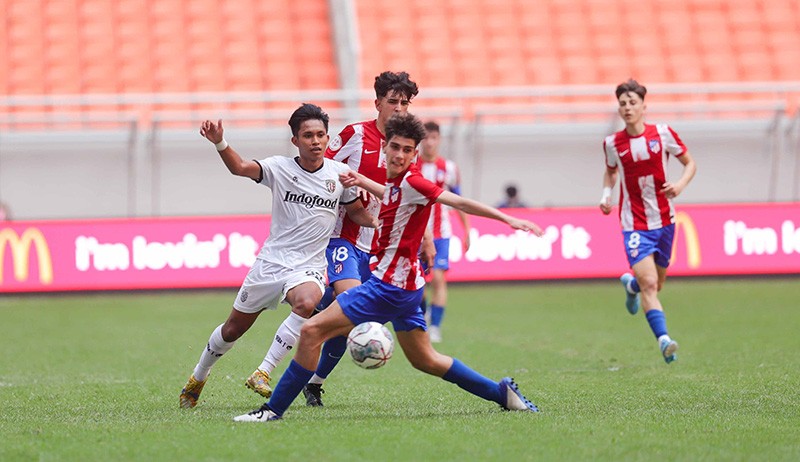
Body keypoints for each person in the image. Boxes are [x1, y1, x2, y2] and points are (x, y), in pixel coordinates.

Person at [233, 112, 543, 422]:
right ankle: (501, 392)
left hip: (388, 288)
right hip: (407, 289)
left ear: (415, 153)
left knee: (312, 331)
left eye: (408, 150)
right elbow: (391, 194)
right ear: (386, 147)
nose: (399, 154)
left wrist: (509, 218)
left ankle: (271, 410)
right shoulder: (397, 182)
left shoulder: (416, 181)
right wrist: (361, 180)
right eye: (395, 147)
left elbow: (458, 202)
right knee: (426, 359)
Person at [243, 71, 432, 407]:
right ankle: (277, 355)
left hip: (377, 244)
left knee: (344, 321)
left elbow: (411, 195)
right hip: (340, 237)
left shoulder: (407, 149)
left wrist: (426, 236)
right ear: (378, 104)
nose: (400, 109)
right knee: (350, 307)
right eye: (394, 102)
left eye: (406, 103)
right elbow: (319, 165)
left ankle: (313, 382)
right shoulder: (355, 136)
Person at [179, 103, 377, 409]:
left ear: (327, 138)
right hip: (271, 264)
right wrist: (220, 142)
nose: (316, 141)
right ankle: (199, 375)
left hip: (308, 266)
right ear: (295, 140)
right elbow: (240, 168)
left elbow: (356, 213)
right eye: (308, 135)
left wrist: (384, 224)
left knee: (308, 302)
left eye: (321, 135)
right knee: (233, 330)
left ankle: (263, 371)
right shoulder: (279, 168)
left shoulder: (340, 175)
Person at [599, 78, 697, 364]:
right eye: (622, 104)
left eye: (632, 103)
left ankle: (631, 287)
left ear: (644, 106)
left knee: (655, 285)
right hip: (634, 224)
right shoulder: (612, 143)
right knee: (651, 284)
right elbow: (610, 173)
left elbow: (690, 163)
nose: (627, 108)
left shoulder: (663, 134)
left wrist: (680, 185)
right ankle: (664, 339)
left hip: (665, 220)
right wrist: (606, 194)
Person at [417, 120, 471, 343]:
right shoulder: (411, 165)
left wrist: (466, 230)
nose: (429, 143)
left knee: (438, 279)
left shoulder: (449, 168)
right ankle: (420, 316)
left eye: (433, 138)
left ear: (438, 140)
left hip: (441, 233)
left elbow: (459, 201)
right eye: (426, 138)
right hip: (416, 234)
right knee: (417, 284)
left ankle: (435, 327)